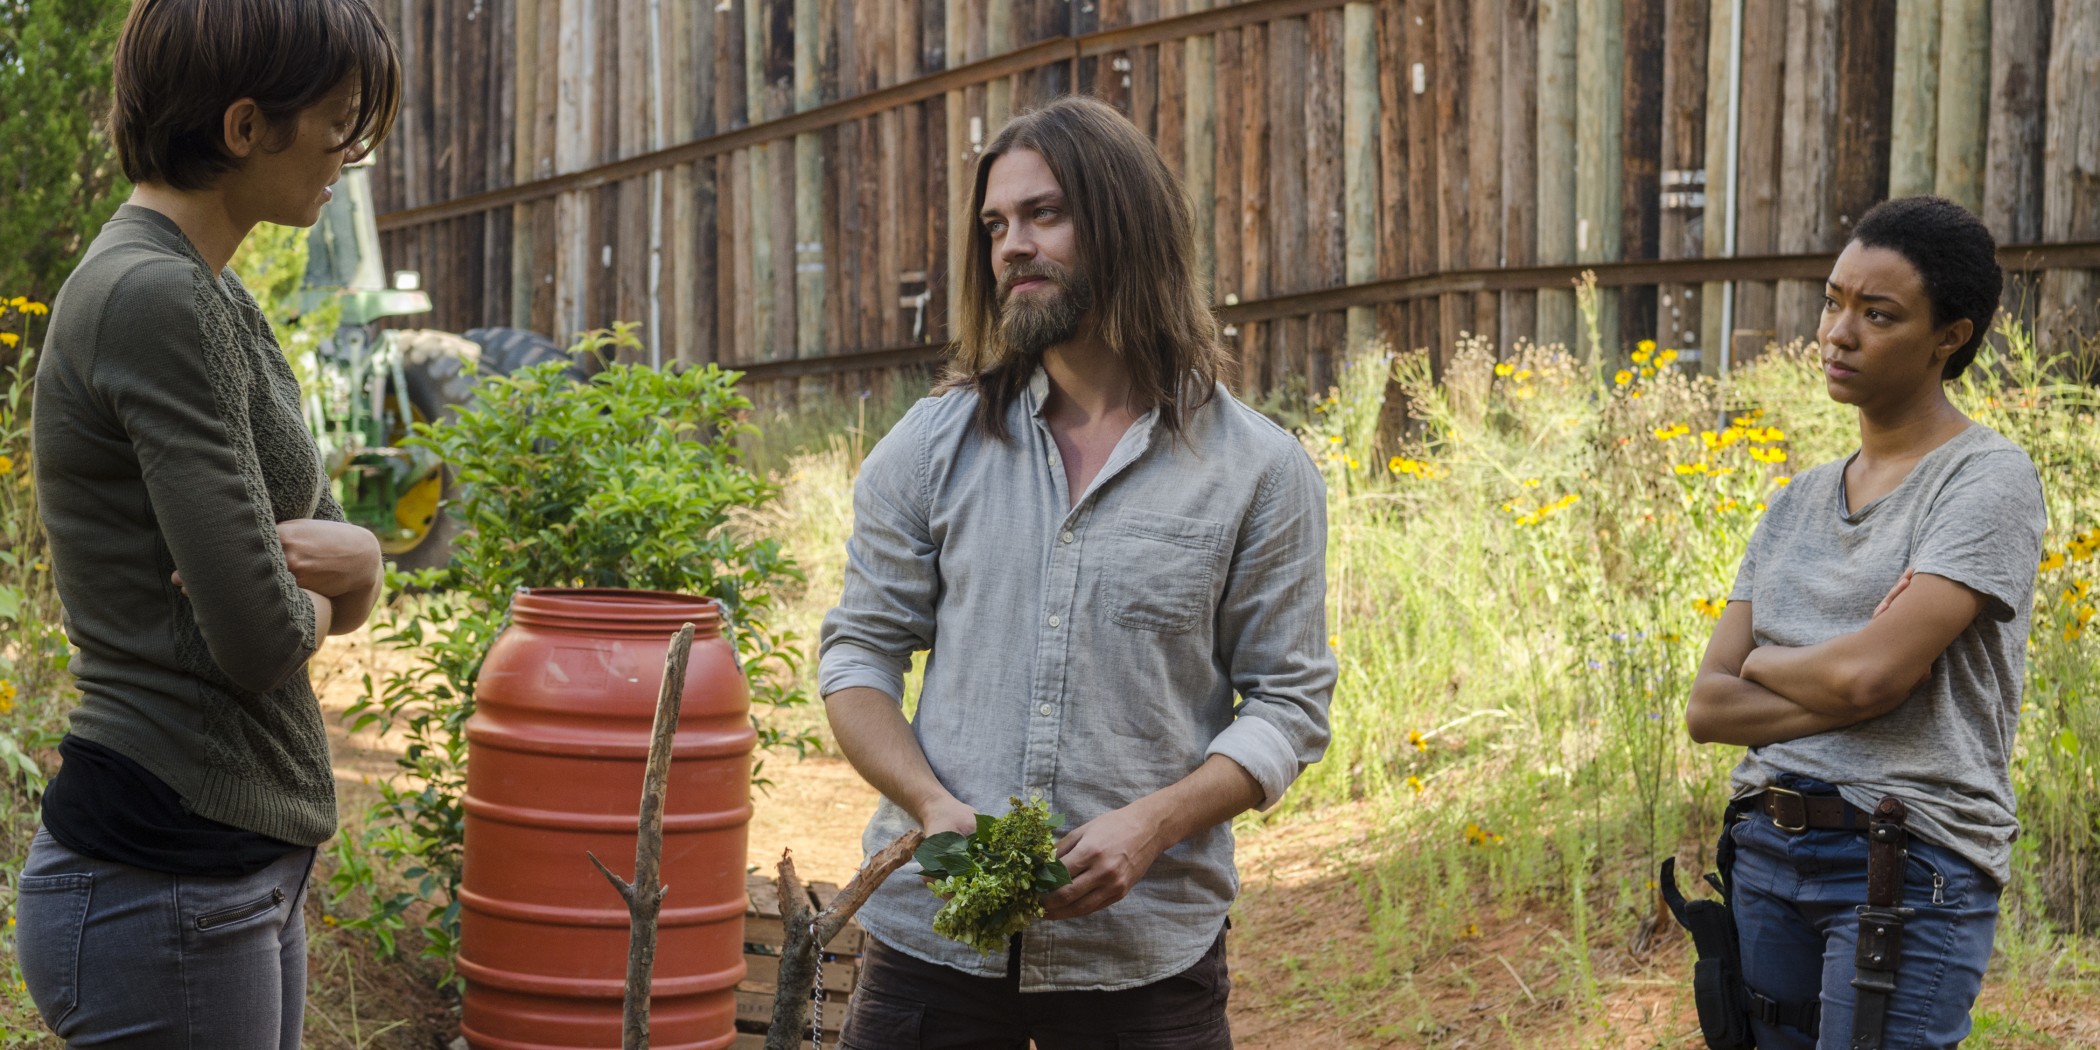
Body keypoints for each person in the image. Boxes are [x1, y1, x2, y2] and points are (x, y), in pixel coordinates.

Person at [818, 96, 1334, 1049]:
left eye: (1044, 214)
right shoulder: (930, 447)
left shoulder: (1259, 471)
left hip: (1145, 962)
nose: (1012, 245)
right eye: (995, 225)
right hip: (932, 948)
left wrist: (1155, 824)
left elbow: (1289, 706)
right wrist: (930, 804)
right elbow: (858, 656)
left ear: (1126, 224)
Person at [14, 1, 399, 1046]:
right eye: (339, 123)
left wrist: (362, 563)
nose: (349, 154)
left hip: (223, 869)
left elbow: (325, 550)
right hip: (162, 878)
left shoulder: (218, 301)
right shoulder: (154, 298)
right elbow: (260, 636)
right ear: (244, 126)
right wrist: (326, 589)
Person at [1684, 196, 2045, 1049]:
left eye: (1878, 314)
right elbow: (1708, 707)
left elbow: (1871, 675)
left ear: (1949, 337)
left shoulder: (1984, 480)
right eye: (1833, 302)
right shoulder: (1797, 501)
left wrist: (1767, 662)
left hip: (1905, 861)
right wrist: (1847, 679)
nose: (1838, 334)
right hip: (1765, 849)